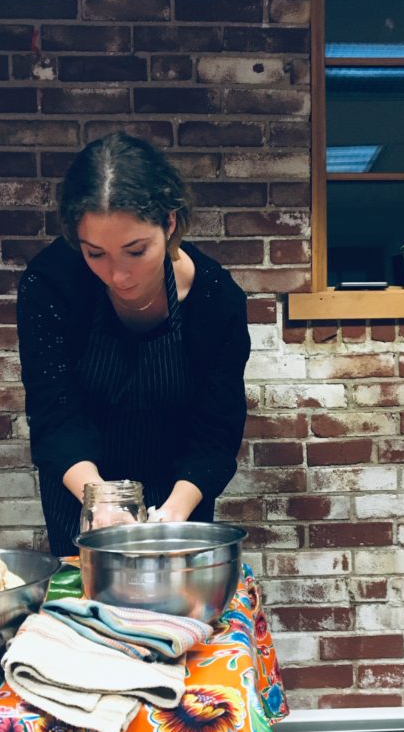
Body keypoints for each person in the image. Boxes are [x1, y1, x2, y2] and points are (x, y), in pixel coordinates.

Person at [16, 131, 251, 556]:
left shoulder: (218, 300)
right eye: (95, 254)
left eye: (135, 251)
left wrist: (173, 516)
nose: (117, 275)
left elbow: (216, 430)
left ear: (170, 223)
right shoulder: (51, 285)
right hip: (82, 493)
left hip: (179, 495)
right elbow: (54, 416)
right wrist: (102, 500)